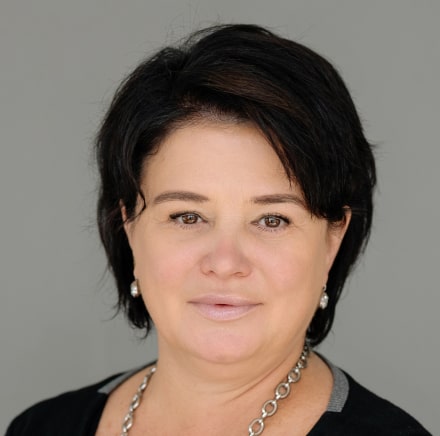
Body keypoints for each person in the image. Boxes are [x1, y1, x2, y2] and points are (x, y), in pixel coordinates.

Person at [7, 24, 430, 436]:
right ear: (129, 227)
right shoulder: (41, 427)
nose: (225, 263)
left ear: (333, 239)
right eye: (187, 216)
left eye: (272, 220)